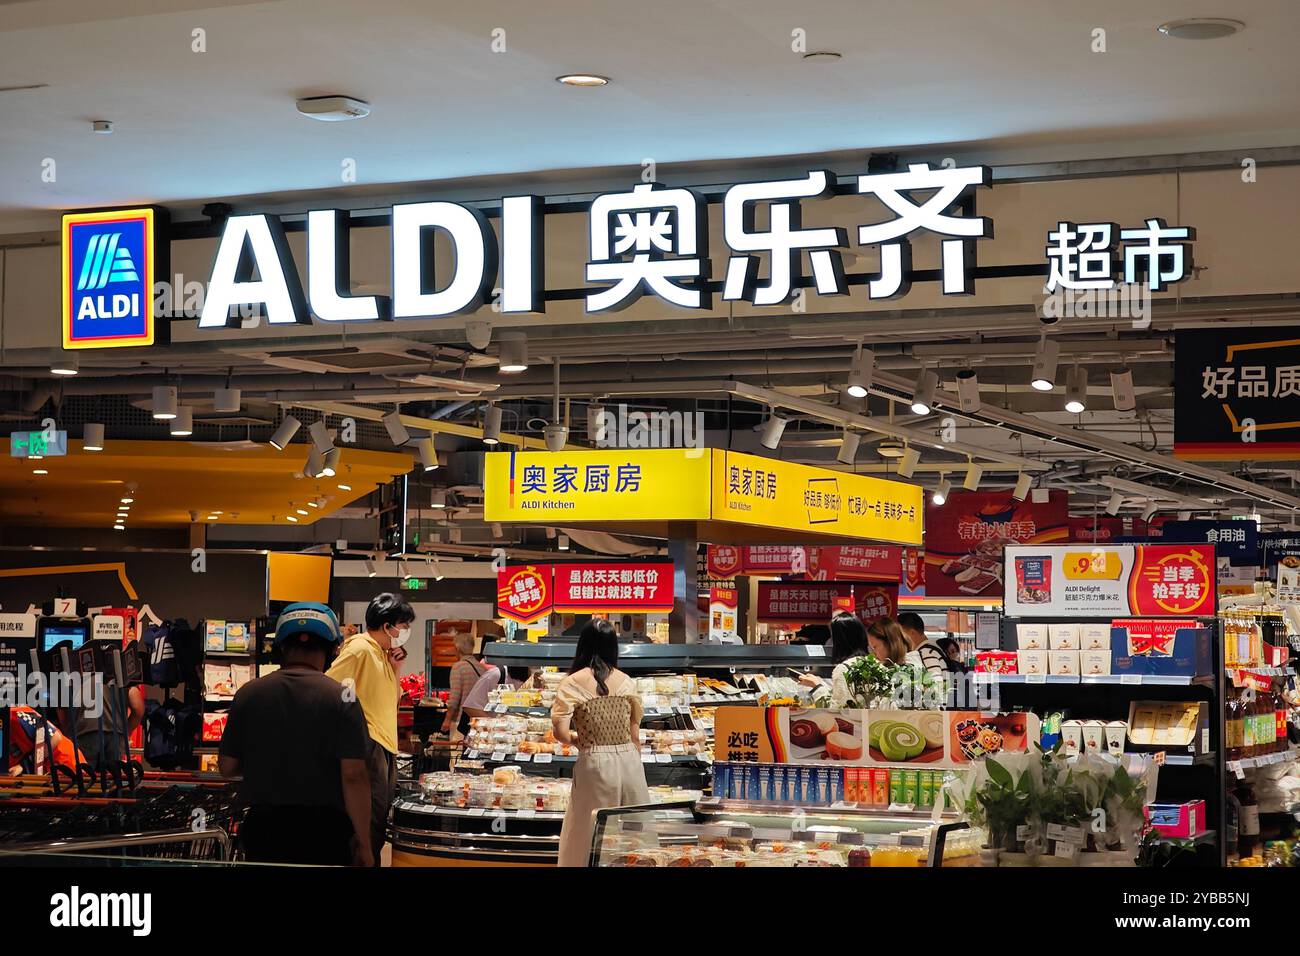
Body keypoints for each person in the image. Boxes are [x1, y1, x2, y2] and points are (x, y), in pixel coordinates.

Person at [219, 603, 372, 866]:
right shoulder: (343, 698)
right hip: (325, 832)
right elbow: (354, 775)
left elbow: (227, 766)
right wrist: (364, 843)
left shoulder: (249, 693)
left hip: (265, 829)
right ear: (332, 649)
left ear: (281, 648)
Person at [552, 618, 650, 867]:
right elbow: (635, 735)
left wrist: (578, 739)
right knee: (634, 831)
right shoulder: (626, 681)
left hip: (596, 762)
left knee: (588, 831)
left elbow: (561, 733)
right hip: (630, 761)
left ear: (582, 646)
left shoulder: (572, 682)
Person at [327, 592, 412, 867]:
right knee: (367, 822)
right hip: (369, 745)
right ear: (388, 626)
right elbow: (330, 686)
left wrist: (396, 667)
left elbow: (391, 700)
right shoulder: (360, 648)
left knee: (377, 821)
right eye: (404, 624)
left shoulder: (381, 654)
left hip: (384, 746)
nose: (406, 631)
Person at [442, 630, 489, 740]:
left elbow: (454, 698)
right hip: (480, 720)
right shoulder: (483, 668)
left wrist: (447, 720)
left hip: (462, 721)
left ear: (457, 649)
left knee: (456, 753)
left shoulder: (458, 667)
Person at [825, 611, 871, 707]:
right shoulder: (873, 663)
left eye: (833, 637)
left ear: (840, 640)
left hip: (854, 720)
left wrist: (817, 687)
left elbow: (838, 707)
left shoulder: (844, 669)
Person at [463, 664, 531, 719]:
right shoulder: (496, 674)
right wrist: (494, 725)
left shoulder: (534, 678)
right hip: (494, 733)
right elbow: (471, 707)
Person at [897, 611, 950, 680]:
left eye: (900, 635)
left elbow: (936, 684)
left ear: (912, 633)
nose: (899, 639)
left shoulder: (926, 652)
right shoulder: (932, 648)